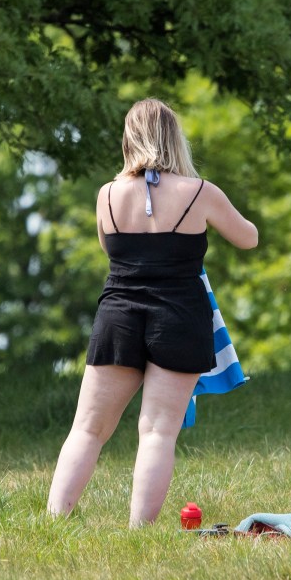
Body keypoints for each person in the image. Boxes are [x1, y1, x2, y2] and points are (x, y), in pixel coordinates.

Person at [46, 98, 258, 526]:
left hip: (118, 315)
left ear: (129, 139)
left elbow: (111, 249)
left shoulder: (107, 194)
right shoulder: (200, 192)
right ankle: (139, 532)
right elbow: (248, 238)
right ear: (174, 138)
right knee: (158, 432)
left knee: (87, 430)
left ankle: (54, 524)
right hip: (179, 317)